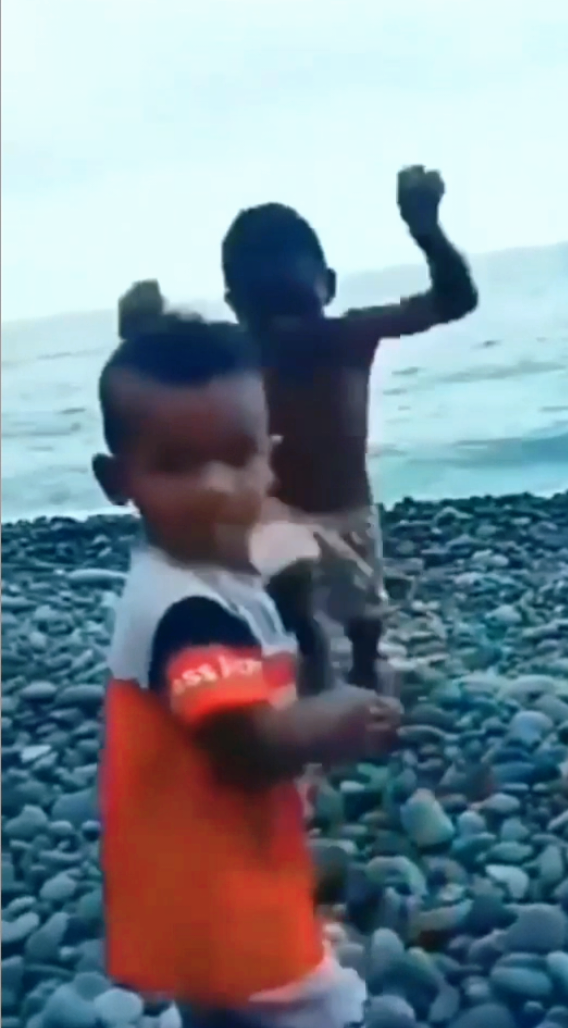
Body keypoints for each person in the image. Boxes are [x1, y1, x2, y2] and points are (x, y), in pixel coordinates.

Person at [93, 305, 402, 1027]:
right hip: (216, 883)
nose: (214, 484)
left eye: (237, 458)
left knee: (217, 1004)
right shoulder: (188, 612)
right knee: (315, 1007)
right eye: (176, 464)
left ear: (270, 457)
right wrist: (333, 720)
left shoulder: (199, 575)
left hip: (190, 863)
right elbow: (243, 747)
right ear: (117, 480)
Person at [221, 165, 479, 695]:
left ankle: (360, 667)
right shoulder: (239, 352)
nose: (288, 330)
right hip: (273, 507)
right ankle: (310, 647)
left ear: (329, 288)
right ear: (236, 309)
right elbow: (171, 380)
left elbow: (456, 300)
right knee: (281, 567)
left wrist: (427, 232)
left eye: (295, 306)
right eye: (268, 313)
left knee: (363, 615)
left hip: (348, 510)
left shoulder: (348, 335)